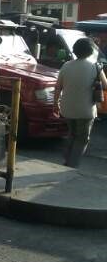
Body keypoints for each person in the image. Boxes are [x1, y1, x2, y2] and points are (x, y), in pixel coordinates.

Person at [54, 38, 107, 168]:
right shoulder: (95, 66)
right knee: (82, 138)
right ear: (90, 51)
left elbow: (57, 87)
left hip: (67, 108)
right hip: (86, 110)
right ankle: (71, 165)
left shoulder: (66, 65)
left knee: (71, 134)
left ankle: (67, 159)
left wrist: (55, 104)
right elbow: (105, 84)